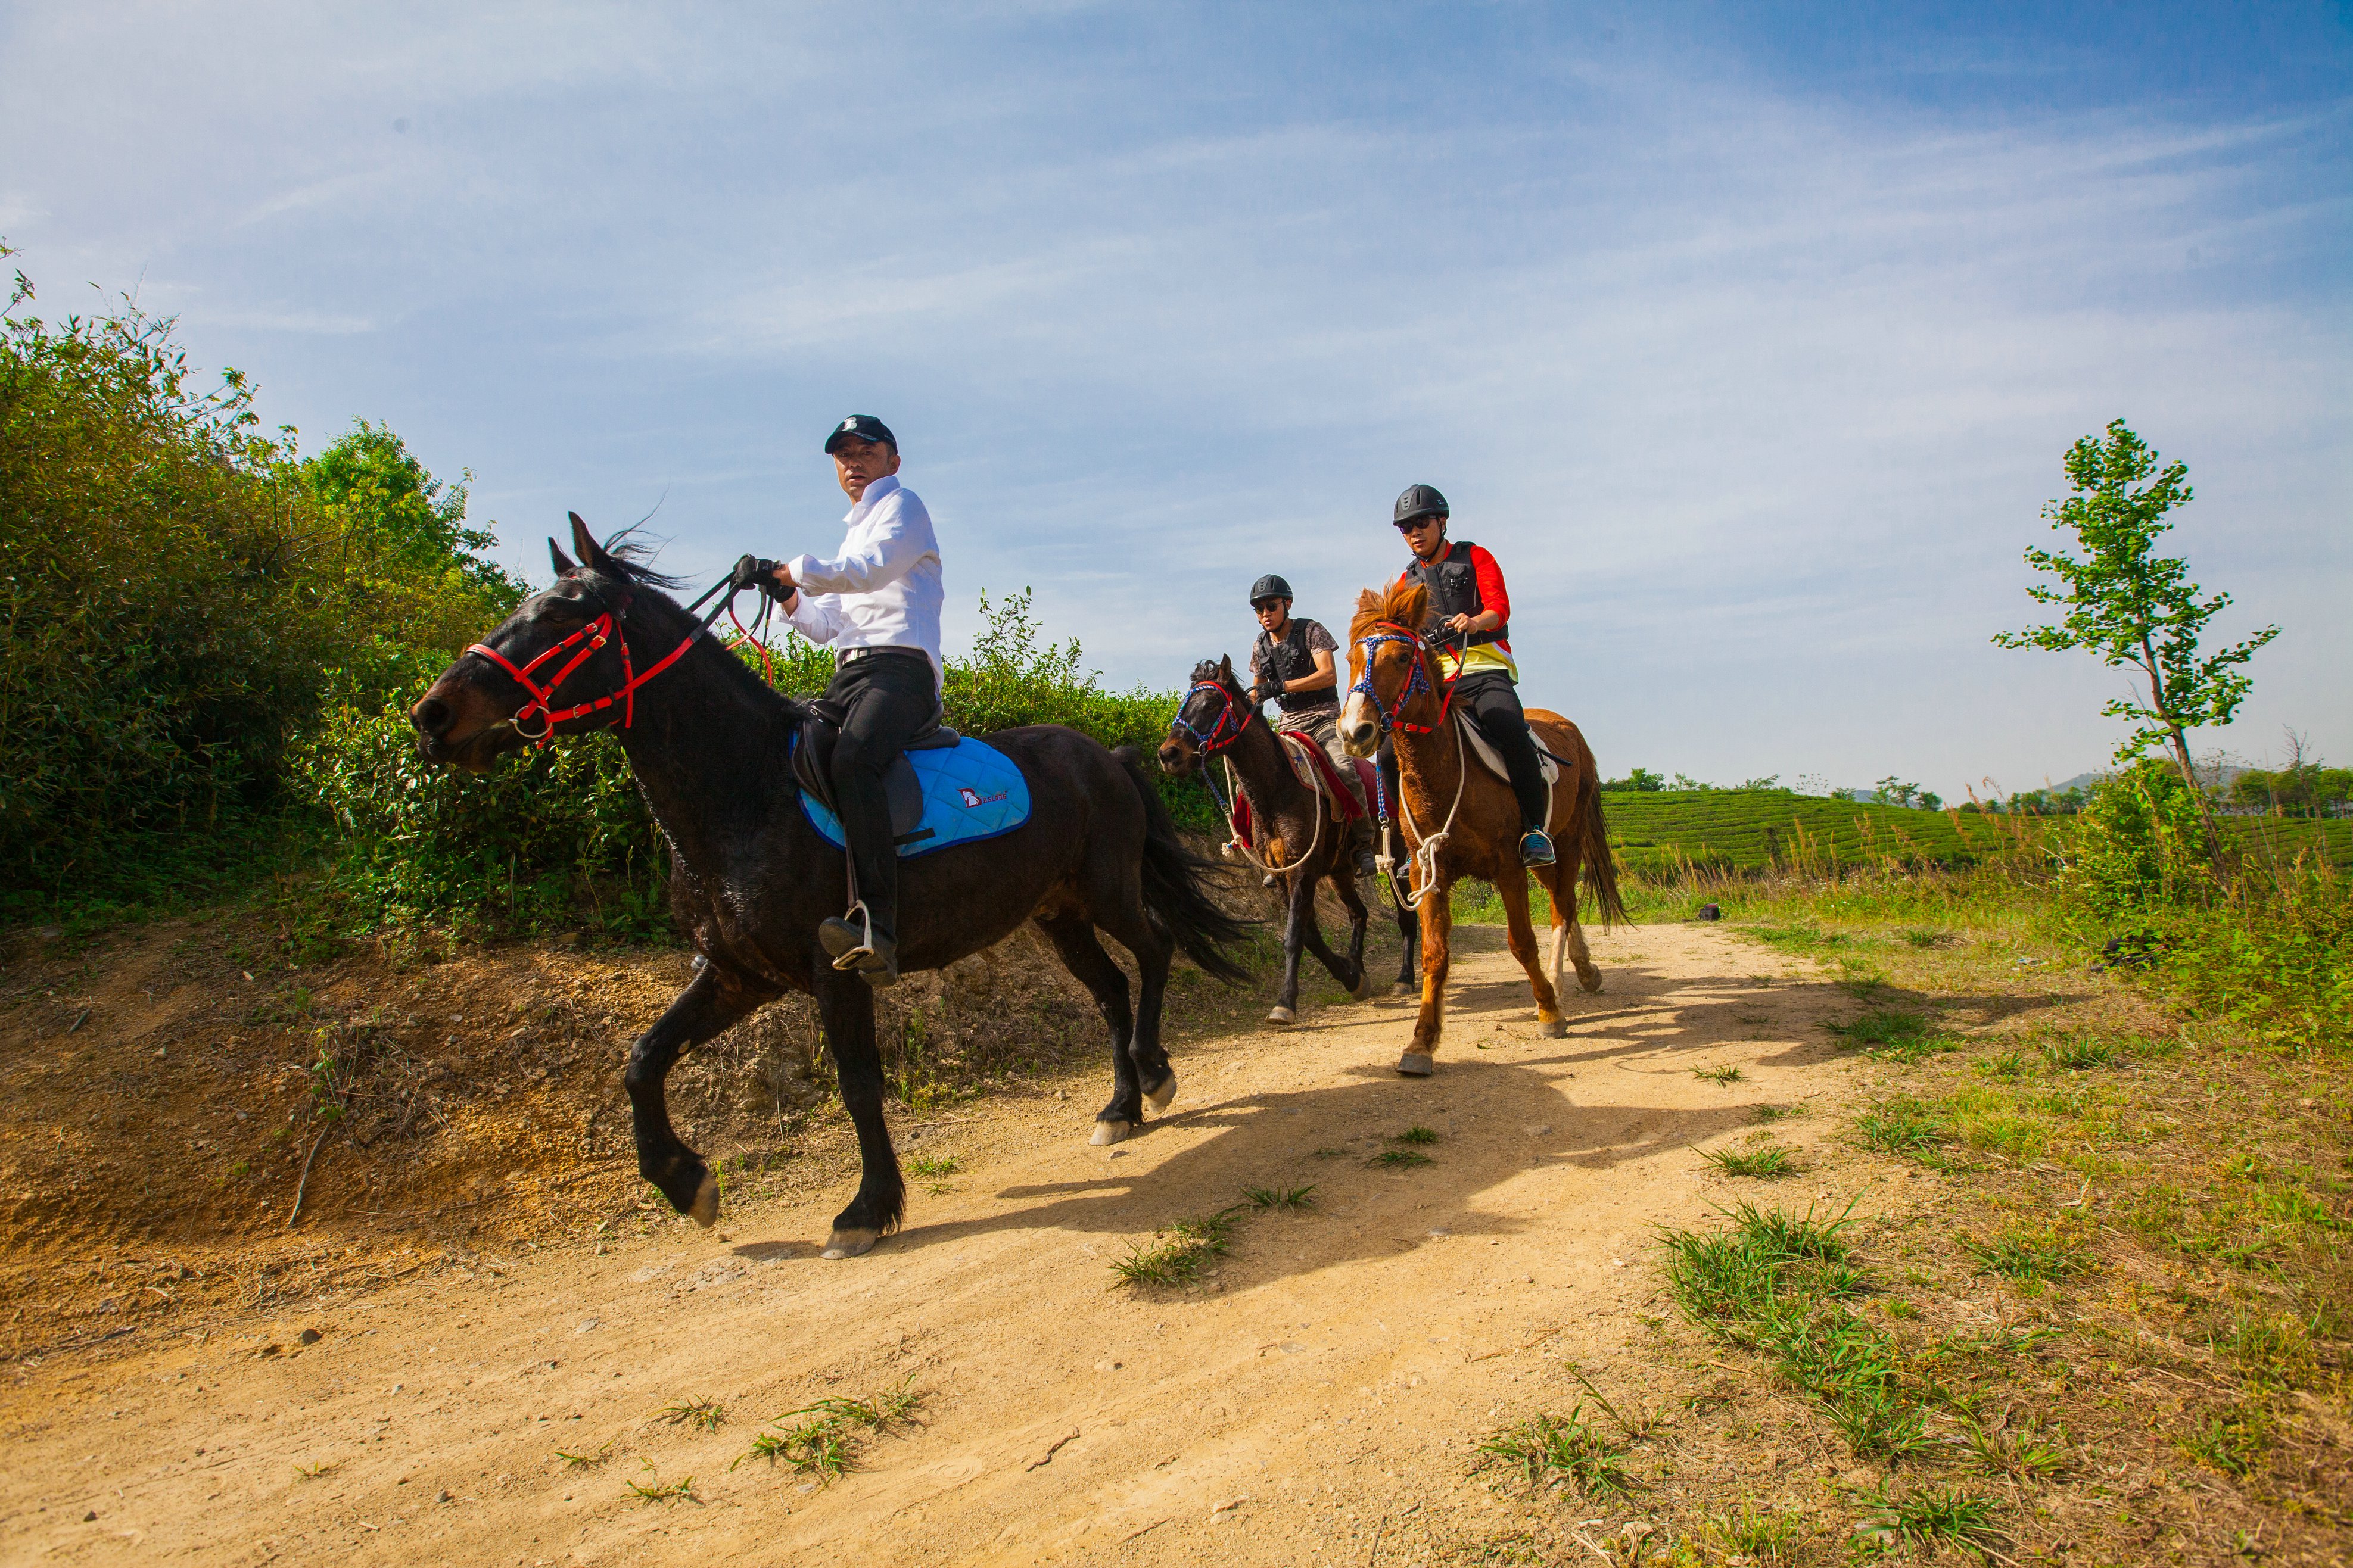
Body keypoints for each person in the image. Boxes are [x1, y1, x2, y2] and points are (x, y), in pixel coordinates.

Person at [764, 415, 944, 987]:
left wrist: (798, 568)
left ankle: (878, 928)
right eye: (843, 455)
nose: (854, 463)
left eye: (867, 451)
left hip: (902, 672)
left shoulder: (904, 507)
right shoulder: (851, 533)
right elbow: (828, 626)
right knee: (793, 752)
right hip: (852, 674)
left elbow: (869, 573)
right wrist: (789, 597)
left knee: (852, 759)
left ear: (893, 461)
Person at [1390, 484, 1555, 866]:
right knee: (1387, 749)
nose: (1414, 532)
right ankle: (1401, 844)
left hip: (1483, 668)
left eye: (1422, 522)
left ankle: (1535, 831)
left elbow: (1500, 608)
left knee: (1511, 729)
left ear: (1442, 521)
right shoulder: (1405, 581)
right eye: (1406, 528)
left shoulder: (1475, 556)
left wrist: (1475, 621)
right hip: (1436, 680)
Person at [1246, 575, 1380, 880]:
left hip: (1322, 720)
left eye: (1271, 606)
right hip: (1287, 727)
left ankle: (1363, 844)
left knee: (1345, 771)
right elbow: (1256, 692)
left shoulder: (1311, 631)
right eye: (1258, 609)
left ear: (1287, 604)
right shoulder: (1259, 646)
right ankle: (1268, 850)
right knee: (1252, 783)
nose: (1265, 614)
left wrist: (1283, 686)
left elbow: (1329, 675)